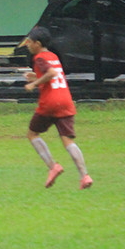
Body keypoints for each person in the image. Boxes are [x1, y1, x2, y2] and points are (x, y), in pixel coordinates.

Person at [22, 26, 93, 189]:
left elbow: (51, 74)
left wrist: (33, 83)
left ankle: (53, 167)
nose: (27, 45)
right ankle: (85, 176)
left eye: (29, 42)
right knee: (67, 140)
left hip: (50, 102)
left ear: (37, 44)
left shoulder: (39, 57)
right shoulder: (53, 56)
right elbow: (54, 74)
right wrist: (35, 76)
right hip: (66, 100)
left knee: (32, 134)